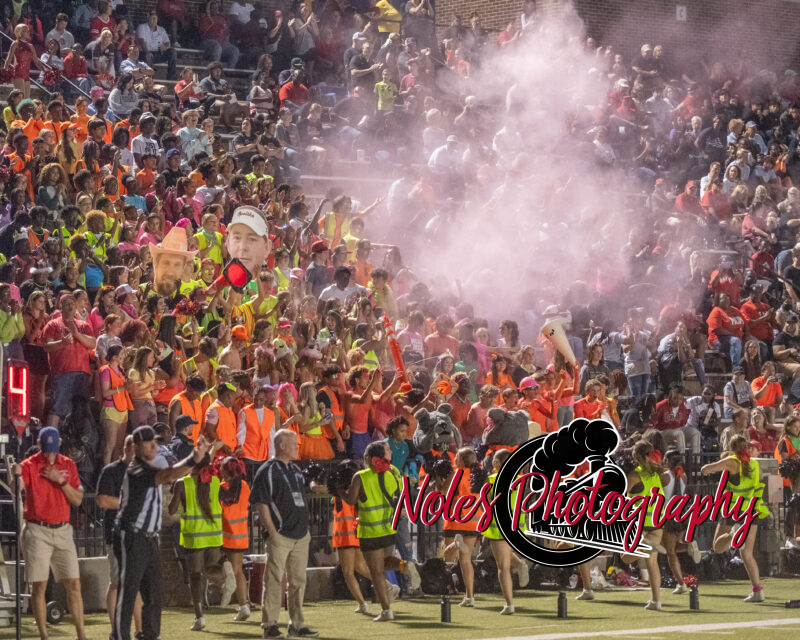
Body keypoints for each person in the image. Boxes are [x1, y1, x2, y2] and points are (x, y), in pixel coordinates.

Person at [113, 426, 212, 640]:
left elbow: (170, 474)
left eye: (154, 443)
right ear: (136, 447)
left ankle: (150, 635)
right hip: (133, 535)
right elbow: (167, 475)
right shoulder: (136, 470)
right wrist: (194, 458)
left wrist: (195, 458)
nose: (153, 447)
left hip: (149, 537)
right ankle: (119, 636)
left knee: (154, 591)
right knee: (128, 589)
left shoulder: (151, 467)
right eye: (148, 443)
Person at [9, 427, 89, 640]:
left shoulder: (68, 464)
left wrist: (59, 480)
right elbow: (17, 487)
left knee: (74, 582)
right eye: (47, 450)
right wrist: (14, 475)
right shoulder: (30, 464)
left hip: (62, 530)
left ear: (59, 444)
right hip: (37, 530)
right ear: (39, 445)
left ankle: (81, 635)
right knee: (39, 585)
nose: (50, 455)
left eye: (53, 450)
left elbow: (77, 499)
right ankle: (44, 635)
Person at [250, 429, 318, 638]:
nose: (298, 446)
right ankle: (269, 625)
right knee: (273, 580)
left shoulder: (296, 469)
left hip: (300, 534)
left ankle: (296, 624)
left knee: (298, 581)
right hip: (281, 534)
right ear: (281, 445)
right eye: (294, 443)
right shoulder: (267, 470)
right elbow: (260, 503)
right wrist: (272, 531)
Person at [701, 435, 770, 602]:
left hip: (733, 510)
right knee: (747, 554)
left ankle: (733, 535)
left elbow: (705, 469)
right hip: (751, 511)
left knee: (717, 547)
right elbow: (761, 481)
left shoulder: (732, 461)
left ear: (732, 448)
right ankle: (757, 591)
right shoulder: (755, 464)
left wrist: (715, 467)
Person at [345, 441, 407, 622]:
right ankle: (403, 565)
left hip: (370, 530)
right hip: (389, 528)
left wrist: (340, 491)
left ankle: (386, 610)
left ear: (368, 458)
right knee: (385, 561)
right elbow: (399, 495)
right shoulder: (393, 472)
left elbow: (351, 500)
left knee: (377, 572)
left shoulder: (360, 476)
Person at [169, 454, 224, 631]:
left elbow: (171, 510)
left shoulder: (182, 483)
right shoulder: (215, 482)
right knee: (211, 569)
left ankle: (199, 616)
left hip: (194, 535)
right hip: (214, 534)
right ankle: (225, 581)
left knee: (195, 575)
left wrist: (174, 492)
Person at [96, 435, 143, 637]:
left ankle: (140, 630)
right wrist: (128, 503)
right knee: (117, 583)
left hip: (138, 534)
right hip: (116, 534)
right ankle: (116, 630)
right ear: (127, 448)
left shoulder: (142, 472)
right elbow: (102, 500)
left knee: (136, 583)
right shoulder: (111, 471)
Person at [621, 441, 665, 611]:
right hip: (657, 520)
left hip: (640, 522)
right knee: (652, 563)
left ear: (636, 456)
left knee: (625, 557)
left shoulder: (635, 475)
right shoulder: (655, 473)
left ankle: (643, 546)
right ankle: (656, 601)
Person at [43, 292, 96, 427]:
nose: (71, 307)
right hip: (62, 373)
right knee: (57, 409)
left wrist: (77, 334)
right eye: (67, 304)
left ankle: (80, 438)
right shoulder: (53, 324)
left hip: (82, 373)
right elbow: (47, 346)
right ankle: (51, 437)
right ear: (61, 306)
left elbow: (93, 343)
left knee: (81, 411)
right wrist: (62, 343)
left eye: (72, 304)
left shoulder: (83, 325)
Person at [219, 456, 252, 620]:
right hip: (241, 535)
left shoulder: (221, 488)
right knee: (239, 571)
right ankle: (243, 606)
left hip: (226, 535)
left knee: (226, 569)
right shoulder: (245, 486)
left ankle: (242, 604)